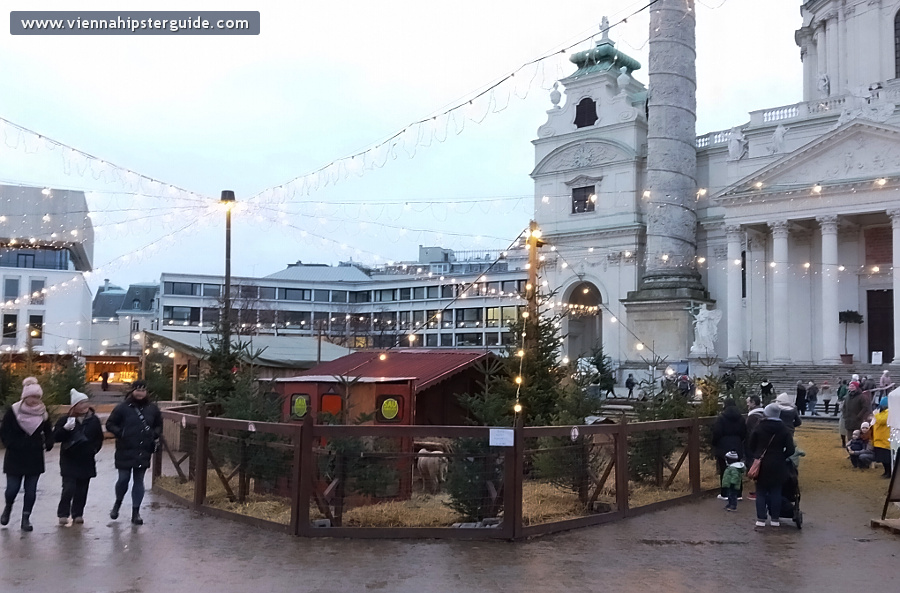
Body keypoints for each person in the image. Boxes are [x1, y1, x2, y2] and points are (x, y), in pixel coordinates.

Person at [105, 380, 162, 525]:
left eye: (143, 390)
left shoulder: (153, 409)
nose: (140, 393)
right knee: (123, 479)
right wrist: (121, 433)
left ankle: (136, 513)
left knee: (139, 481)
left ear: (146, 392)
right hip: (125, 448)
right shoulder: (122, 408)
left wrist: (154, 435)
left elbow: (158, 425)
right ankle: (118, 502)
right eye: (137, 390)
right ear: (132, 391)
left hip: (143, 449)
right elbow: (110, 424)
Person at [0, 377, 53, 531]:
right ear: (25, 396)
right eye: (32, 397)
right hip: (15, 455)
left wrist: (49, 442)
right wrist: (11, 444)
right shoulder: (14, 411)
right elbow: (4, 431)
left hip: (34, 455)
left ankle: (25, 518)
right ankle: (8, 507)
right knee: (12, 488)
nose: (35, 400)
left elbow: (48, 430)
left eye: (37, 397)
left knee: (31, 490)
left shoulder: (43, 412)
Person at [53, 388, 104, 526]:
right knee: (68, 488)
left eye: (86, 402)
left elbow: (99, 438)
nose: (85, 405)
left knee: (82, 489)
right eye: (81, 403)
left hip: (86, 459)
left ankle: (78, 514)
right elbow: (56, 437)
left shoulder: (94, 420)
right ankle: (63, 514)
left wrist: (93, 450)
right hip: (69, 459)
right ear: (75, 406)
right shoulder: (65, 420)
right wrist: (65, 429)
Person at [748, 403, 795, 528]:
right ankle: (775, 519)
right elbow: (791, 449)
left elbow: (751, 444)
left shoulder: (759, 427)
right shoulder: (784, 429)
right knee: (776, 491)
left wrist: (757, 455)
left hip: (762, 463)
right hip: (778, 464)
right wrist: (782, 456)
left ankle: (761, 519)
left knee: (761, 491)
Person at [711, 398, 747, 500]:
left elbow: (717, 432)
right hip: (737, 443)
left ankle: (725, 493)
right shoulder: (740, 418)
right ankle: (738, 493)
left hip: (723, 444)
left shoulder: (721, 418)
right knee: (737, 468)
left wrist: (715, 443)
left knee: (724, 470)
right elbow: (744, 432)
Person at [744, 395, 765, 501]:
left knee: (755, 467)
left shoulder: (753, 417)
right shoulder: (763, 414)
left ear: (753, 403)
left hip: (754, 446)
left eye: (748, 402)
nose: (747, 404)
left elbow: (751, 433)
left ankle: (759, 492)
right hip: (762, 446)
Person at [871, 397, 892, 479]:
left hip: (884, 439)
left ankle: (889, 472)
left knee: (887, 458)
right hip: (878, 438)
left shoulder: (889, 413)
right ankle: (885, 471)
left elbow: (882, 421)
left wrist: (875, 415)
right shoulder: (881, 412)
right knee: (882, 458)